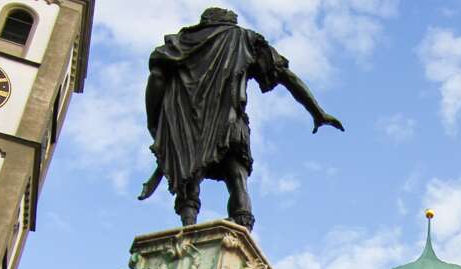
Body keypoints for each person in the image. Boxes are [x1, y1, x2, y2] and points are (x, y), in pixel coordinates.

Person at [138, 7, 344, 228]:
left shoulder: (182, 42)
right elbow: (285, 75)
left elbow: (157, 77)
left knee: (189, 177)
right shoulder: (244, 38)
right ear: (230, 22)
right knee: (237, 176)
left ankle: (188, 232)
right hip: (228, 121)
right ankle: (240, 234)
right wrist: (316, 111)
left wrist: (155, 122)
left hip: (185, 122)